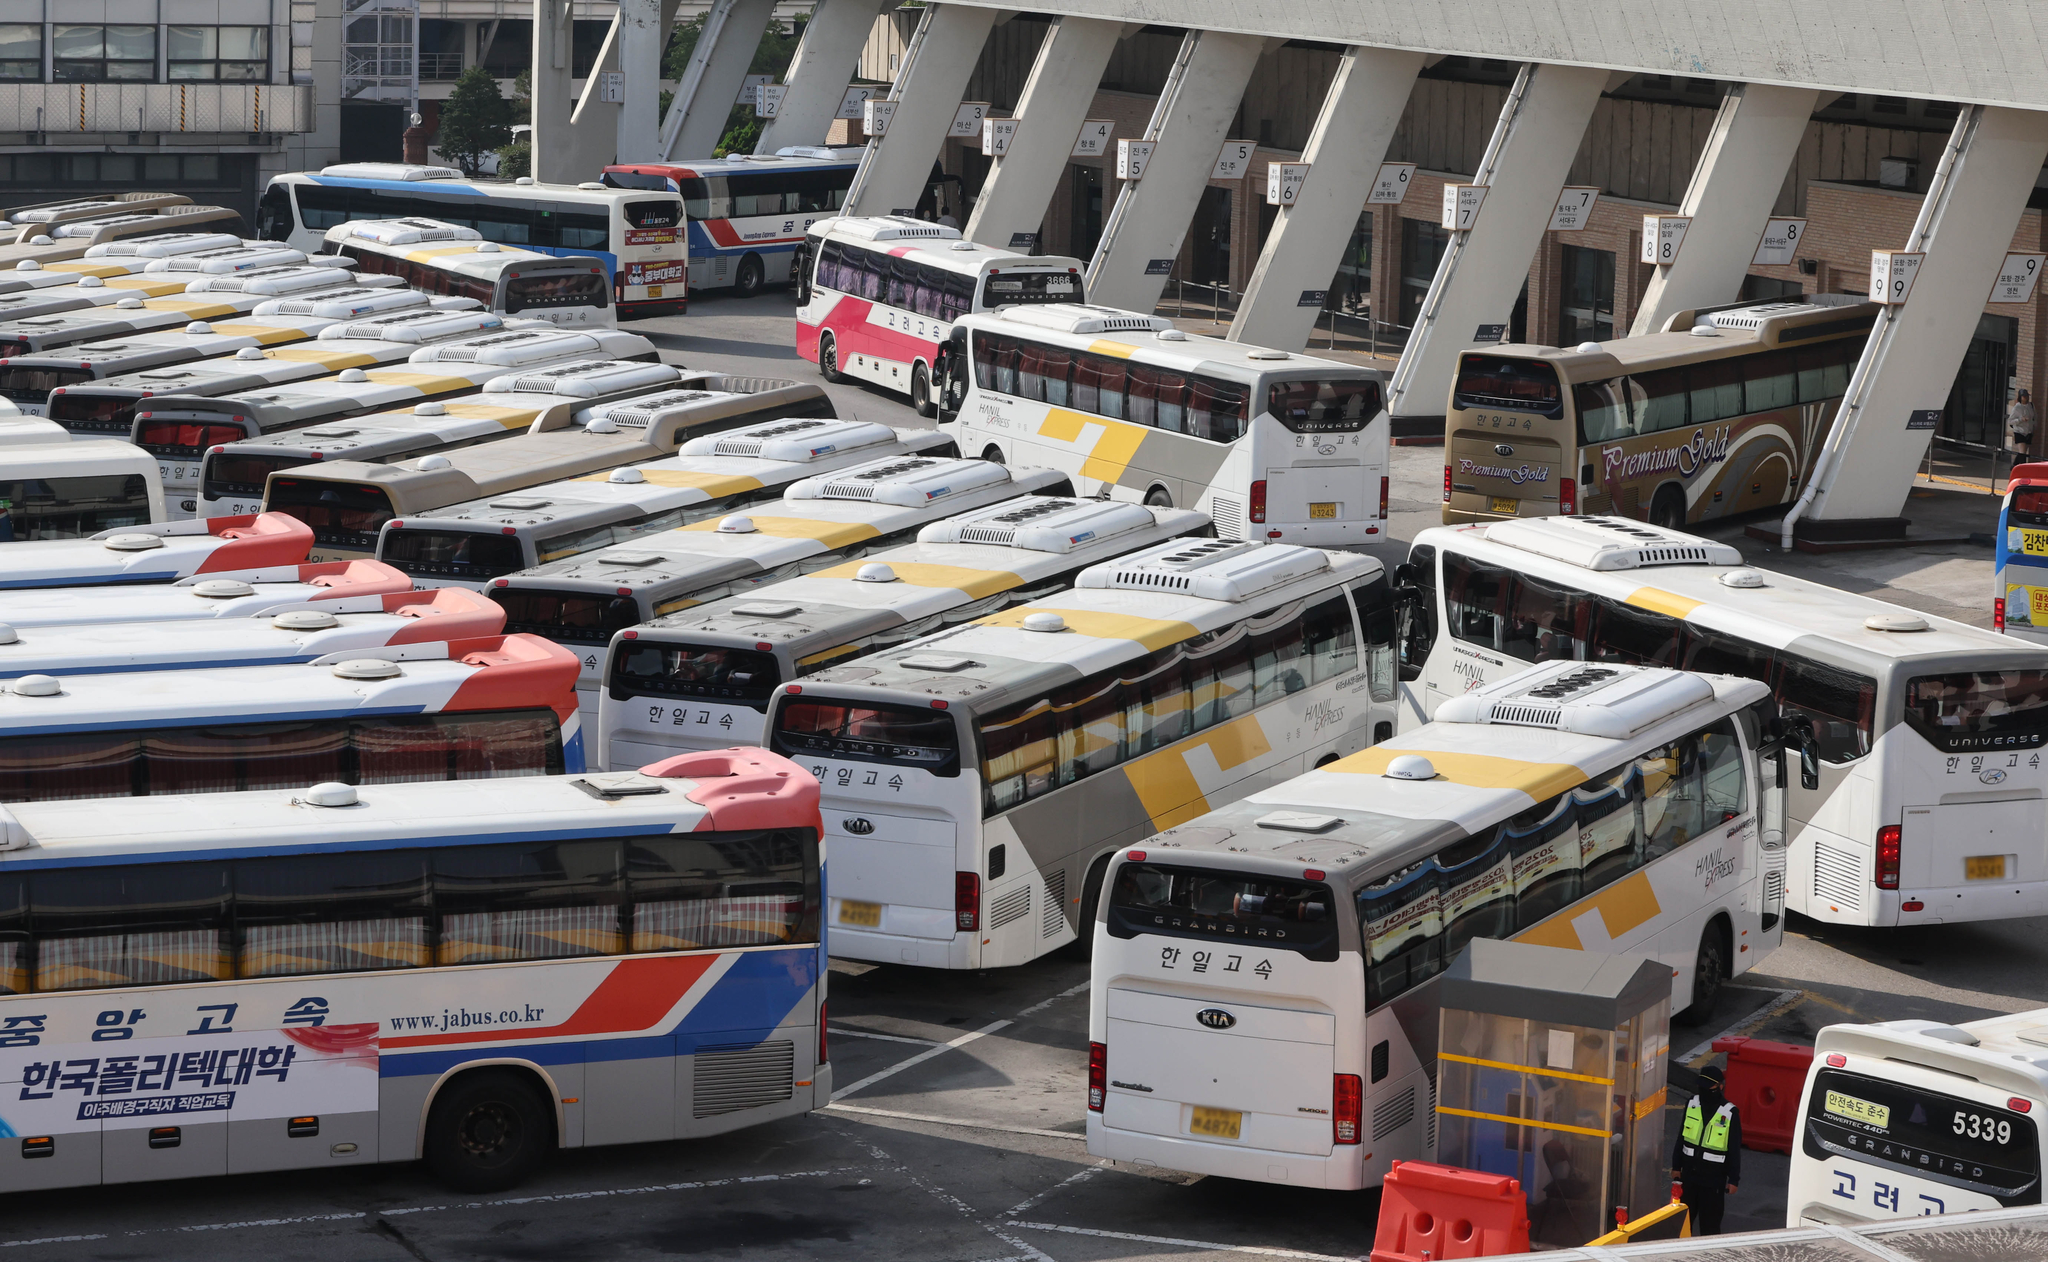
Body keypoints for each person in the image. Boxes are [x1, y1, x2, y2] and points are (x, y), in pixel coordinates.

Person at [1672, 1062, 1741, 1235]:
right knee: (1682, 1225)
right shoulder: (1692, 1104)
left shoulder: (1729, 1113)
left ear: (1720, 1087)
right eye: (1701, 1085)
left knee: (1710, 1227)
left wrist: (1733, 1179)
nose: (1703, 1089)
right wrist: (1675, 1166)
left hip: (1713, 1181)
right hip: (1689, 1176)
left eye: (1708, 1085)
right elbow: (1681, 1137)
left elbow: (1734, 1149)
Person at [2009, 389, 2036, 461]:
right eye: (2024, 396)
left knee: (2023, 453)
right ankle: (2019, 468)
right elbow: (2010, 421)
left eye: (2027, 396)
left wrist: (2034, 428)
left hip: (2029, 431)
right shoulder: (2017, 408)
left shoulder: (2031, 405)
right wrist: (2020, 419)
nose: (2026, 398)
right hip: (2019, 432)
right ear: (2020, 397)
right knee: (2022, 453)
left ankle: (2015, 466)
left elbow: (2034, 417)